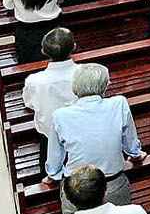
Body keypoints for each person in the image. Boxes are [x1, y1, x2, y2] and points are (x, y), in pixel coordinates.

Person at [44, 65, 144, 202]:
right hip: (113, 185)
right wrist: (136, 154)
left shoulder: (60, 115)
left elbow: (55, 157)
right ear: (104, 86)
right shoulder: (119, 103)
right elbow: (130, 143)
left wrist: (53, 175)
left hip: (76, 188)